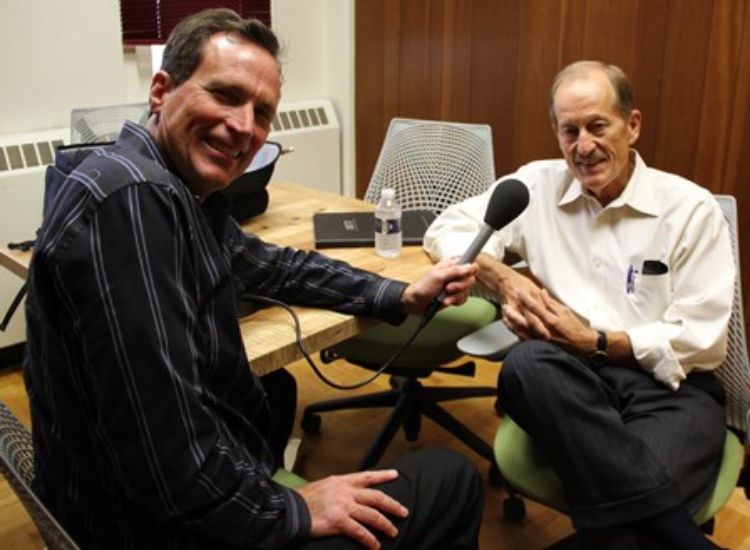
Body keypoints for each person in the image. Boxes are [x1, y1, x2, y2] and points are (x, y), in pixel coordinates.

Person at [23, 9, 484, 549]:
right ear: (160, 90)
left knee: (274, 390)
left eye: (262, 112)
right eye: (225, 94)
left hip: (127, 502)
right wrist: (288, 508)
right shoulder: (133, 200)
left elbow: (274, 265)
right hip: (147, 528)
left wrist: (397, 293)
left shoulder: (165, 187)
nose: (244, 126)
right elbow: (169, 462)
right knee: (450, 480)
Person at [424, 60, 735, 548]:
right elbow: (446, 229)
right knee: (525, 364)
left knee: (630, 533)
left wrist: (594, 341)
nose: (583, 146)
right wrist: (504, 279)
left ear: (632, 126)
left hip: (670, 388)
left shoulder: (691, 210)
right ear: (556, 132)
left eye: (597, 126)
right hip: (568, 384)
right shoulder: (536, 186)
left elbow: (701, 339)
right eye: (569, 131)